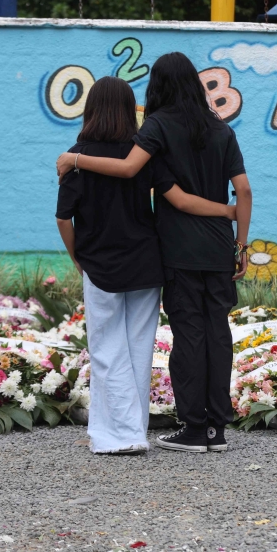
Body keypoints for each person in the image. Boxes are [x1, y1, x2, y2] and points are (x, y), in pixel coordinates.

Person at [56, 53, 252, 454]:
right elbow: (241, 191)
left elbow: (137, 178)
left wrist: (73, 159)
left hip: (175, 250)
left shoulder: (156, 131)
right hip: (209, 248)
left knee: (186, 336)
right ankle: (215, 429)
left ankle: (177, 429)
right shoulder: (221, 131)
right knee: (215, 332)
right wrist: (238, 231)